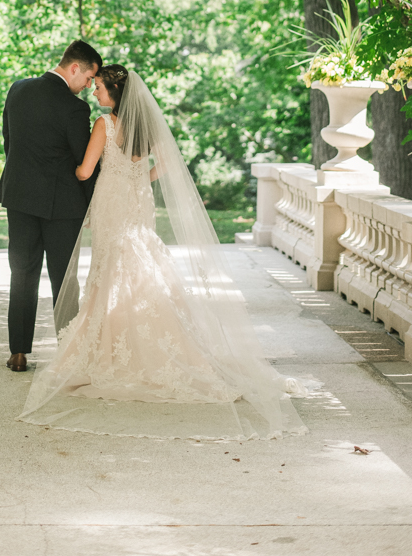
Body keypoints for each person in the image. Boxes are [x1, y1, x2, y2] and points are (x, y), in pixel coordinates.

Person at [19, 65, 309, 441]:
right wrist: (140, 177)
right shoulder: (146, 127)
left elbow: (86, 171)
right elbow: (168, 164)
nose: (95, 93)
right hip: (137, 202)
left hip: (111, 204)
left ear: (114, 94)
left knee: (112, 267)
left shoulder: (104, 125)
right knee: (138, 261)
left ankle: (109, 349)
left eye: (101, 89)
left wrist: (68, 169)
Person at [0, 39, 102, 372]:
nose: (88, 87)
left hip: (20, 197)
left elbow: (8, 142)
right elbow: (83, 161)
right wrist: (92, 206)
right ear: (74, 68)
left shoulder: (18, 89)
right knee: (64, 279)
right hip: (63, 205)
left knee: (22, 274)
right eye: (88, 78)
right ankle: (68, 352)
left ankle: (18, 352)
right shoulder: (75, 108)